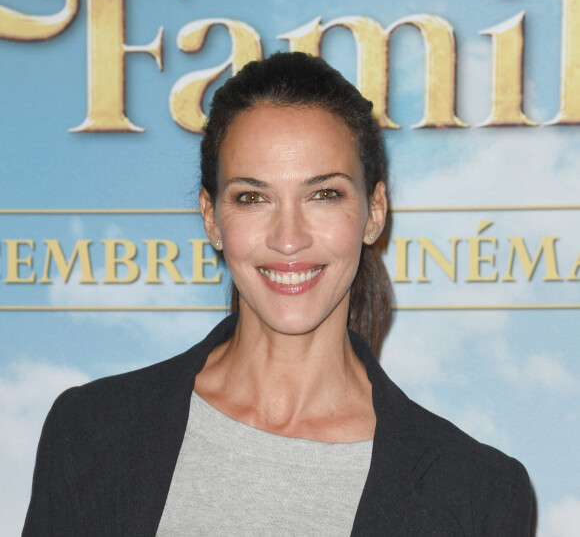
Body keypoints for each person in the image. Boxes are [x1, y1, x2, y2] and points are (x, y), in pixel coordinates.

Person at [23, 52, 532, 536]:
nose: (289, 238)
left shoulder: (478, 494)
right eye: (252, 197)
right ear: (212, 219)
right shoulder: (91, 432)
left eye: (324, 194)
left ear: (374, 212)